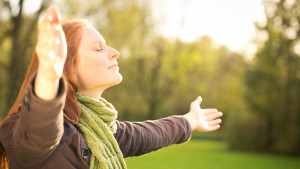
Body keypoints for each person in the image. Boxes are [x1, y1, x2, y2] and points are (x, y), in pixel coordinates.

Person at [0, 6, 223, 169]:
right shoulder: (27, 131)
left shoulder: (99, 130)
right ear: (68, 69)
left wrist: (191, 120)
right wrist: (49, 75)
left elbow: (149, 134)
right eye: (98, 49)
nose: (114, 51)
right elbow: (41, 122)